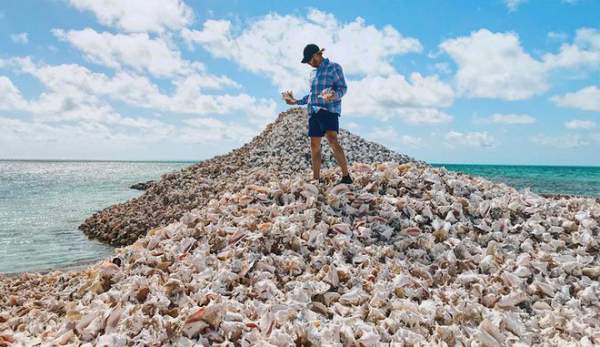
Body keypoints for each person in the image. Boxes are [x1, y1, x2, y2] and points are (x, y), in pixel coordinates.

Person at [282, 43, 353, 185]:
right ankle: (316, 179)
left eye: (310, 60)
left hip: (329, 110)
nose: (309, 63)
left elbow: (343, 88)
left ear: (317, 55)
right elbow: (311, 96)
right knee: (314, 145)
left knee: (332, 140)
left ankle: (346, 177)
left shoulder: (334, 67)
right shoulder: (312, 74)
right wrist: (295, 101)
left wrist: (333, 95)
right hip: (313, 112)